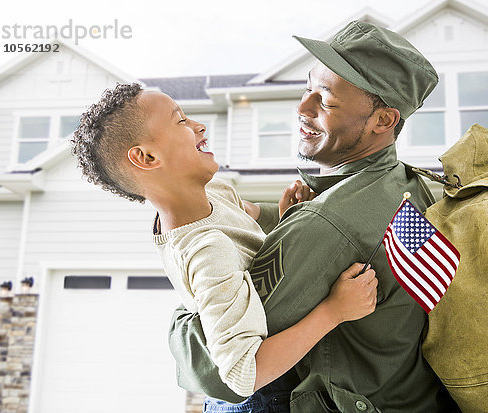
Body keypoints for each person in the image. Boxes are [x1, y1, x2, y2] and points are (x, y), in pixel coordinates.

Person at [169, 20, 460, 412]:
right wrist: (283, 221)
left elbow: (216, 371)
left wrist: (187, 297)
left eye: (325, 100)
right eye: (308, 88)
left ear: (383, 121)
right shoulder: (411, 188)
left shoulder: (326, 224)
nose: (302, 108)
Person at [70, 83, 379, 404]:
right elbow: (243, 374)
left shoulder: (213, 193)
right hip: (260, 398)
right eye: (180, 121)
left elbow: (257, 218)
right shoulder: (206, 249)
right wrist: (335, 311)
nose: (198, 125)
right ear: (146, 157)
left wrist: (289, 217)